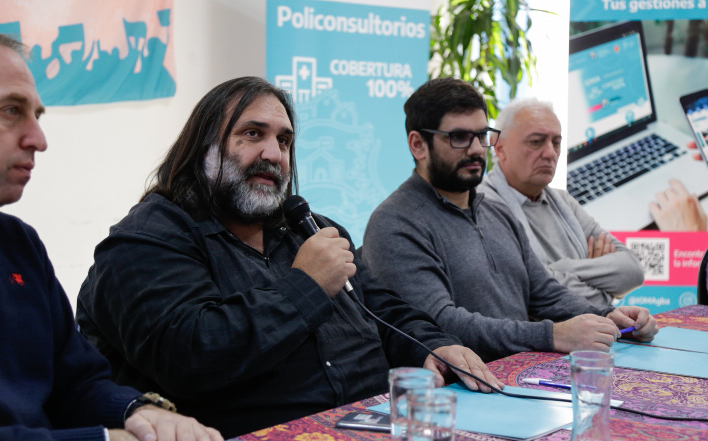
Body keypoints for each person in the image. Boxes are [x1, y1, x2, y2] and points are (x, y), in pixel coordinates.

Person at [76, 76, 503, 438]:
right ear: (203, 147)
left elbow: (382, 309)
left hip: (373, 425)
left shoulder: (307, 228)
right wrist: (306, 287)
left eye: (284, 140)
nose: (273, 154)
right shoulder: (146, 240)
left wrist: (432, 345)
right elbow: (189, 356)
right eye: (252, 134)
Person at [0, 34, 222, 441]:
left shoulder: (19, 244)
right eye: (11, 110)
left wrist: (139, 412)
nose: (39, 140)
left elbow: (76, 382)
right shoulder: (148, 238)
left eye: (37, 115)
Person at [362, 77, 658, 362]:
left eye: (481, 135)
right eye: (459, 138)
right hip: (458, 388)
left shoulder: (496, 212)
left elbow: (546, 294)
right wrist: (551, 335)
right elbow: (438, 323)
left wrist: (608, 317)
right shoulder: (395, 224)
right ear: (418, 145)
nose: (476, 149)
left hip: (523, 377)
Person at [478, 98, 644, 307]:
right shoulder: (483, 206)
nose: (550, 153)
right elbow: (529, 292)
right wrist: (602, 289)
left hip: (592, 325)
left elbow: (633, 271)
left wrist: (557, 270)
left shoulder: (564, 202)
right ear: (500, 147)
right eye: (536, 142)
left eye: (556, 143)